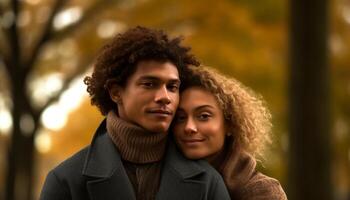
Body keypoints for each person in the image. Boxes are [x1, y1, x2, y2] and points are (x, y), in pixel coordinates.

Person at [40, 27, 231, 200]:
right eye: (149, 84)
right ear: (116, 93)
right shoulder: (66, 181)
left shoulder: (208, 182)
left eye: (172, 87)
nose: (165, 97)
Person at [172, 66, 288, 200]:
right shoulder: (162, 176)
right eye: (181, 117)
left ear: (229, 124)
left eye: (204, 116)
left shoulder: (262, 191)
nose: (189, 127)